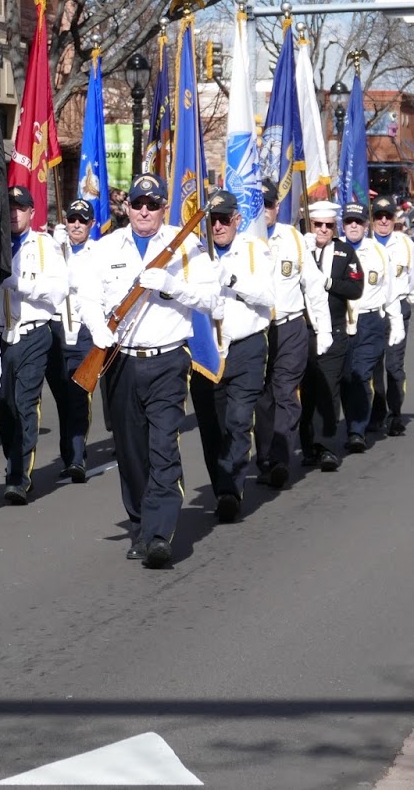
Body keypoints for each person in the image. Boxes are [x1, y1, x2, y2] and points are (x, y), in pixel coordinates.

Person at [76, 174, 220, 566]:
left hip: (168, 360)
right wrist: (98, 327)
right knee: (130, 450)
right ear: (127, 208)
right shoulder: (106, 248)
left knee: (163, 446)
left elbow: (212, 300)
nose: (144, 211)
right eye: (137, 204)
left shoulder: (186, 245)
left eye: (152, 205)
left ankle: (159, 533)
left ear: (163, 209)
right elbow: (86, 295)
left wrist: (174, 285)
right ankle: (140, 524)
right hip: (120, 359)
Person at [186, 190, 274, 522]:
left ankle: (231, 491)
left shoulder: (254, 250)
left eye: (224, 220)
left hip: (246, 346)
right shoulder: (194, 253)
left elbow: (268, 296)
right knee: (212, 426)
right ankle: (222, 486)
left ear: (237, 219)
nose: (218, 227)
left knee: (238, 421)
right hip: (206, 350)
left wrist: (231, 279)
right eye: (212, 221)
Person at [0, 186, 68, 505]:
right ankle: (14, 458)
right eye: (10, 207)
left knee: (25, 403)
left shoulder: (44, 245)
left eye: (20, 208)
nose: (14, 213)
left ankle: (19, 476)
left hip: (33, 333)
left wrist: (20, 285)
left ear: (32, 213)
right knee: (2, 404)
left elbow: (59, 290)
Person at [254, 184, 331, 488]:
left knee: (286, 392)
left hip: (290, 326)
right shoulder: (246, 238)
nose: (265, 210)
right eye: (259, 204)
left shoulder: (293, 238)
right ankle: (264, 458)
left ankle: (280, 459)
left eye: (269, 204)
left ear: (277, 206)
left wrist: (323, 328)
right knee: (263, 399)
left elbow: (313, 285)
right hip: (257, 330)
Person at [299, 200, 364, 472]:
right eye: (318, 225)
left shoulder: (344, 251)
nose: (323, 230)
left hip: (335, 329)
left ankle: (326, 446)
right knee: (306, 391)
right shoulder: (298, 249)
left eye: (328, 225)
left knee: (328, 387)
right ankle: (307, 446)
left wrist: (329, 283)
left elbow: (356, 288)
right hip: (302, 330)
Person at [338, 204, 404, 454]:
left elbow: (390, 291)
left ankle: (357, 431)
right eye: (349, 222)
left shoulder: (378, 251)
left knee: (361, 374)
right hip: (341, 321)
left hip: (369, 321)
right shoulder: (334, 250)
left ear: (366, 225)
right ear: (343, 225)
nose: (354, 226)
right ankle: (354, 422)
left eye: (358, 221)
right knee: (346, 378)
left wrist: (396, 322)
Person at [368, 195, 414, 439]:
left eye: (388, 216)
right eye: (379, 216)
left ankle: (395, 414)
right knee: (373, 365)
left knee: (394, 366)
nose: (383, 221)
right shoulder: (364, 243)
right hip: (372, 310)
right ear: (372, 218)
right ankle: (376, 412)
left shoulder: (404, 244)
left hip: (399, 307)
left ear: (395, 218)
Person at [44, 198, 96, 482]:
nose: (76, 225)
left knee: (78, 395)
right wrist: (56, 250)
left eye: (82, 221)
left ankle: (77, 457)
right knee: (62, 398)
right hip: (55, 330)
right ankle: (69, 454)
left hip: (83, 329)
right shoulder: (53, 249)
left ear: (91, 224)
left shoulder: (97, 253)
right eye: (72, 219)